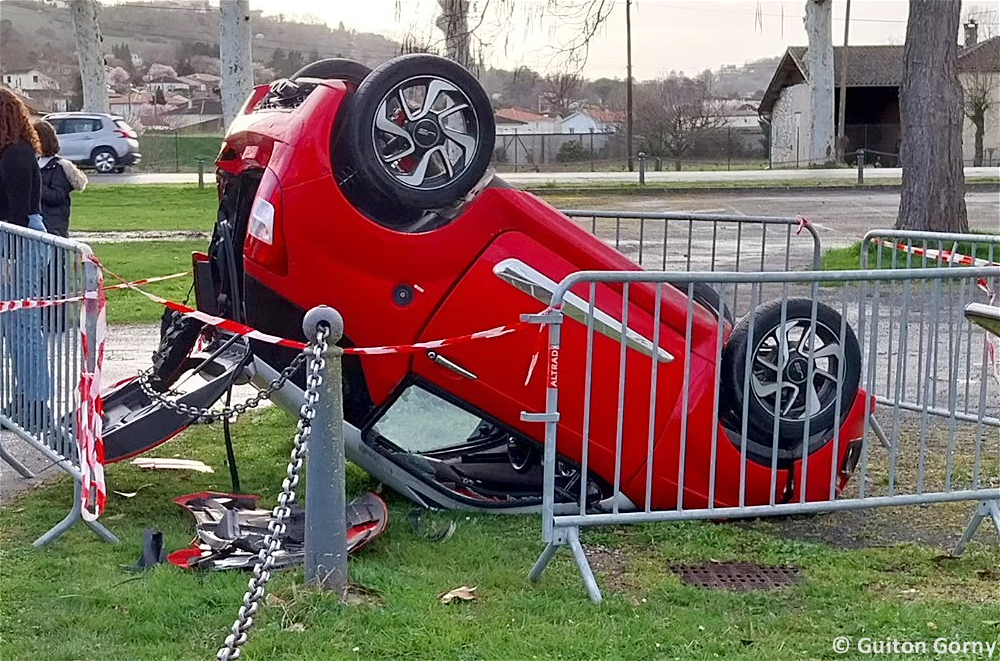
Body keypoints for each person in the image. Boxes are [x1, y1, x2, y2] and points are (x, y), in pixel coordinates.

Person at [0, 87, 50, 432]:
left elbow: (19, 212)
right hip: (14, 242)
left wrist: (10, 259)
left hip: (21, 243)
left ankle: (34, 402)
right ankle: (24, 398)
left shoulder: (16, 154)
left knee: (25, 327)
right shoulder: (11, 152)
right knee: (16, 327)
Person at [34, 119, 87, 238]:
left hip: (54, 227)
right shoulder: (34, 164)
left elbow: (56, 196)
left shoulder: (59, 167)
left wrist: (35, 186)